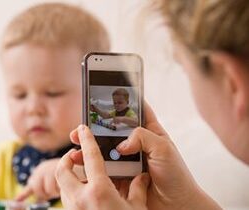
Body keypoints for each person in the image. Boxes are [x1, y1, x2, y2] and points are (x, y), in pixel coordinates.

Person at [55, 0, 249, 209]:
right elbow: (107, 114)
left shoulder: (128, 114)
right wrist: (185, 203)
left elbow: (120, 118)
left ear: (231, 83)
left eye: (184, 69)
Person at [0, 2, 110, 206]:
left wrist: (74, 170)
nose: (33, 108)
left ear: (94, 95)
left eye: (53, 93)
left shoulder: (109, 169)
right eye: (19, 95)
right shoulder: (5, 159)